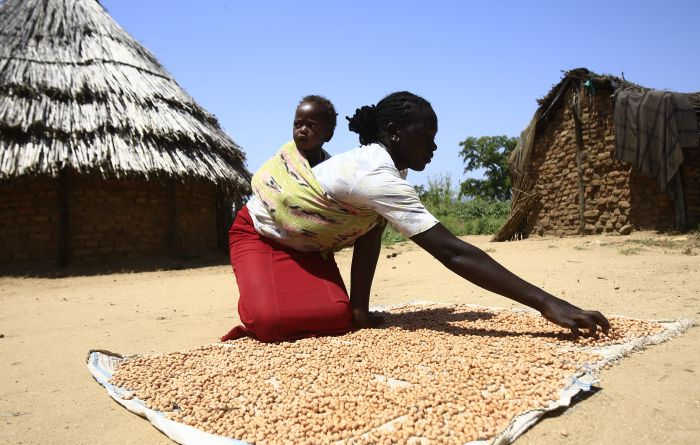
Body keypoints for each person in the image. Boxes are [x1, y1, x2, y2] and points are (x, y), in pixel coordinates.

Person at [223, 91, 610, 343]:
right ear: (393, 133)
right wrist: (547, 303)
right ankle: (258, 302)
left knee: (336, 320)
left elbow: (369, 234)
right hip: (260, 232)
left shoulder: (389, 172)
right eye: (426, 135)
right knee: (272, 324)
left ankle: (325, 303)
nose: (434, 145)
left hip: (308, 249)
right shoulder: (374, 175)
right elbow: (452, 252)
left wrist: (359, 310)